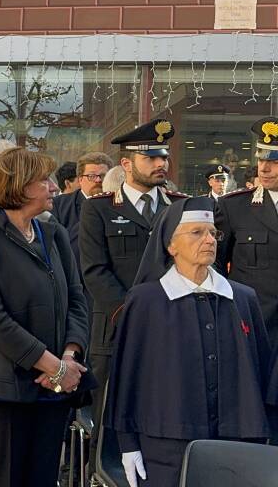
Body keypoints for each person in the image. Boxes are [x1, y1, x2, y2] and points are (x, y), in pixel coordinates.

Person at [0, 147, 90, 487]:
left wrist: (68, 358)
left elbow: (77, 300)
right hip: (1, 389)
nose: (54, 187)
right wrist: (52, 366)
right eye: (44, 180)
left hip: (52, 387)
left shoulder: (53, 235)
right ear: (20, 186)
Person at [107, 196, 273, 487]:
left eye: (212, 233)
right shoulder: (145, 301)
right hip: (165, 443)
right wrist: (127, 443)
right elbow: (126, 376)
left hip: (236, 441)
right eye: (196, 233)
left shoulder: (243, 298)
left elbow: (261, 371)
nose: (209, 240)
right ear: (170, 245)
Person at [80, 119, 184, 437]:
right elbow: (95, 271)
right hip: (116, 329)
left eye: (163, 157)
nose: (160, 163)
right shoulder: (99, 210)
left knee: (163, 418)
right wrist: (133, 313)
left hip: (171, 330)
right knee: (109, 422)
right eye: (150, 157)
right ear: (126, 164)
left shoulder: (179, 207)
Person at [216, 117, 278, 345]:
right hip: (252, 325)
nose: (264, 168)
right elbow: (216, 263)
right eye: (261, 159)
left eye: (275, 161)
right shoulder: (234, 207)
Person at [53, 152, 113, 259]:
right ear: (80, 179)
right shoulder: (58, 205)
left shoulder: (120, 205)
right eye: (91, 176)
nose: (98, 180)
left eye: (103, 176)